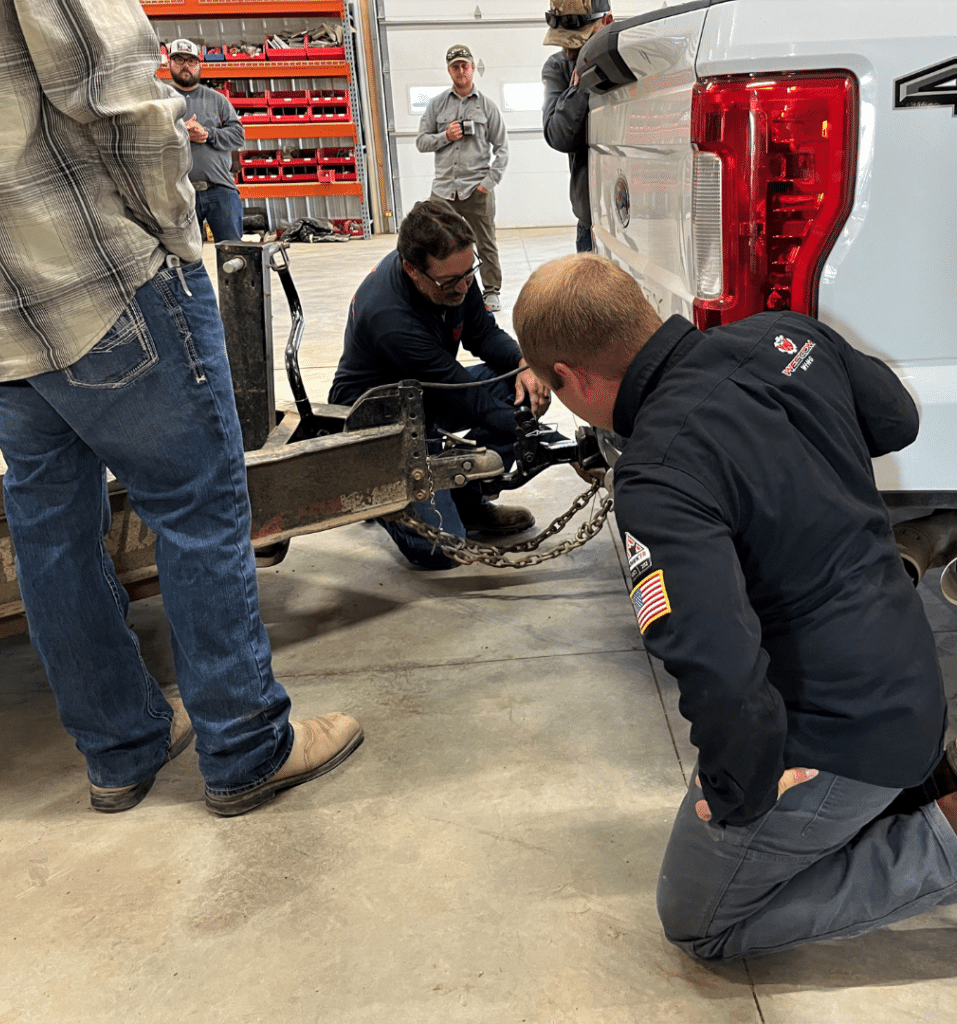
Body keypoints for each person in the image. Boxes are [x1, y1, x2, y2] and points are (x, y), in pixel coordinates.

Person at [0, 0, 361, 817]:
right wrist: (171, 237)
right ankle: (244, 745)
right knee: (196, 506)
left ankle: (120, 746)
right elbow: (118, 91)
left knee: (51, 528)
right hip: (93, 277)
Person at [512, 252, 957, 961]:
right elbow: (896, 420)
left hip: (850, 733)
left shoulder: (659, 474)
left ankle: (944, 842)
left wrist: (739, 792)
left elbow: (720, 669)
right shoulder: (787, 336)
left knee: (699, 919)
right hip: (908, 675)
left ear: (569, 379)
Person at [329, 200, 552, 570]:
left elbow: (483, 336)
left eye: (470, 273)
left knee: (517, 389)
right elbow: (468, 400)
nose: (464, 286)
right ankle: (382, 496)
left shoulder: (453, 269)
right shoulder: (390, 317)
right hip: (379, 419)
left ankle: (467, 502)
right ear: (412, 271)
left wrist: (524, 363)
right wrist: (544, 440)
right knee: (441, 551)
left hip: (426, 394)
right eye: (451, 282)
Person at [416, 45, 508, 313]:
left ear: (472, 68)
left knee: (486, 243)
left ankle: (491, 292)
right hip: (444, 191)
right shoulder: (437, 105)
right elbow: (421, 141)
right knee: (433, 242)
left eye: (464, 66)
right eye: (455, 66)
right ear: (449, 71)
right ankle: (438, 288)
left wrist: (487, 183)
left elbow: (502, 148)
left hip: (476, 190)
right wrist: (446, 136)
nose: (460, 71)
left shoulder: (487, 106)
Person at [541, 0, 614, 252]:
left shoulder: (632, 56)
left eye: (579, 42)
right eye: (564, 42)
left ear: (608, 22)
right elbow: (559, 136)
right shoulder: (558, 67)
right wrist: (581, 85)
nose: (571, 52)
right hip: (590, 220)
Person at [167, 38, 246, 245]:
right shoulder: (160, 100)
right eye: (179, 60)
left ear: (199, 66)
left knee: (234, 254)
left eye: (191, 61)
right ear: (169, 63)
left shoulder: (217, 99)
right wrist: (179, 133)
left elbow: (238, 135)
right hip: (177, 193)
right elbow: (145, 139)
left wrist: (208, 133)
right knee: (181, 260)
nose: (185, 65)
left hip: (220, 190)